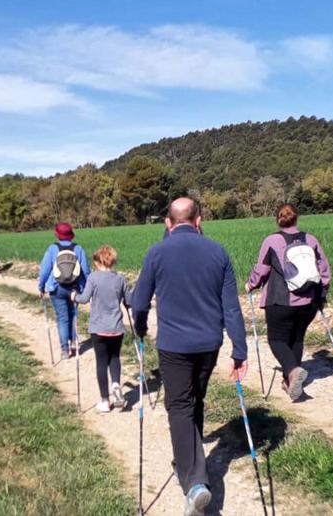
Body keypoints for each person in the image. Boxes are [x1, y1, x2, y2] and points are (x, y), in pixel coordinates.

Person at [131, 197, 247, 515]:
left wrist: (139, 328)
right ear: (198, 220)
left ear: (168, 223)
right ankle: (192, 462)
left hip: (173, 346)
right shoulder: (218, 252)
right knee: (194, 402)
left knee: (179, 407)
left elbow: (139, 302)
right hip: (209, 344)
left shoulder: (157, 252)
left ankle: (195, 482)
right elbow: (231, 307)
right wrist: (240, 349)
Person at [245, 203, 331, 401]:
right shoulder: (310, 239)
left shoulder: (272, 240)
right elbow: (324, 270)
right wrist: (322, 294)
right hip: (308, 301)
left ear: (278, 219)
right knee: (297, 338)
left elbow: (262, 269)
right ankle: (290, 382)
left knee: (277, 339)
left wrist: (250, 285)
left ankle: (292, 371)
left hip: (280, 300)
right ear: (296, 218)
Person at [72, 245, 132, 413]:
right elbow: (129, 301)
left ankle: (105, 401)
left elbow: (83, 299)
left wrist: (73, 296)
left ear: (98, 261)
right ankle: (116, 385)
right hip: (116, 328)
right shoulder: (120, 279)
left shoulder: (93, 278)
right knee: (115, 358)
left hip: (98, 328)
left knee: (101, 362)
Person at [38, 222, 91, 361]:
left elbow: (45, 270)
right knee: (73, 315)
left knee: (62, 318)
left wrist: (41, 287)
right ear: (71, 235)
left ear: (57, 235)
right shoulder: (78, 249)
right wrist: (87, 289)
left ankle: (65, 350)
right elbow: (86, 271)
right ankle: (74, 343)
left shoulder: (52, 249)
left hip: (56, 288)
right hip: (75, 288)